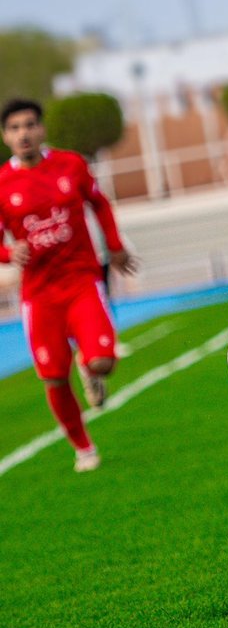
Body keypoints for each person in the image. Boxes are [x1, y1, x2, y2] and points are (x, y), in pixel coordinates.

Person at [0, 99, 138, 471]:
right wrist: (8, 253)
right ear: (5, 136)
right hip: (39, 296)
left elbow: (100, 203)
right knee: (52, 377)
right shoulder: (2, 184)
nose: (23, 133)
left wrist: (115, 246)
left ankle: (90, 368)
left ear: (42, 129)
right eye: (14, 128)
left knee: (104, 362)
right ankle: (84, 448)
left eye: (29, 125)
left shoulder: (70, 165)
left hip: (81, 282)